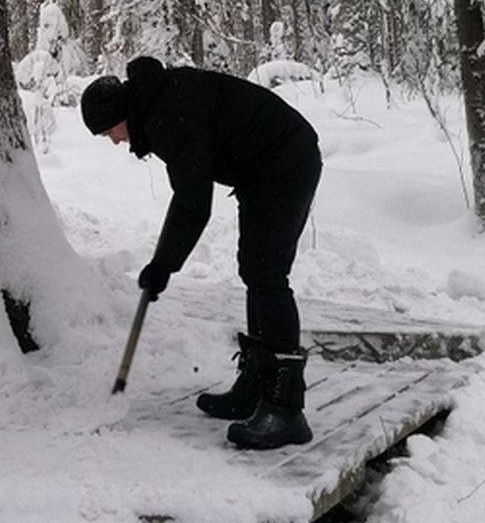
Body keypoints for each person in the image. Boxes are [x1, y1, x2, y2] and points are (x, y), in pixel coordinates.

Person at [80, 56, 322, 450]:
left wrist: (163, 266)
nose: (114, 140)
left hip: (285, 159)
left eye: (110, 130)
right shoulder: (159, 101)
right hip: (264, 165)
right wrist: (163, 263)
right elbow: (187, 190)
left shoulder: (166, 114)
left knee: (267, 271)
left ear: (122, 113)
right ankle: (258, 385)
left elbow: (194, 203)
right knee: (255, 268)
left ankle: (286, 408)